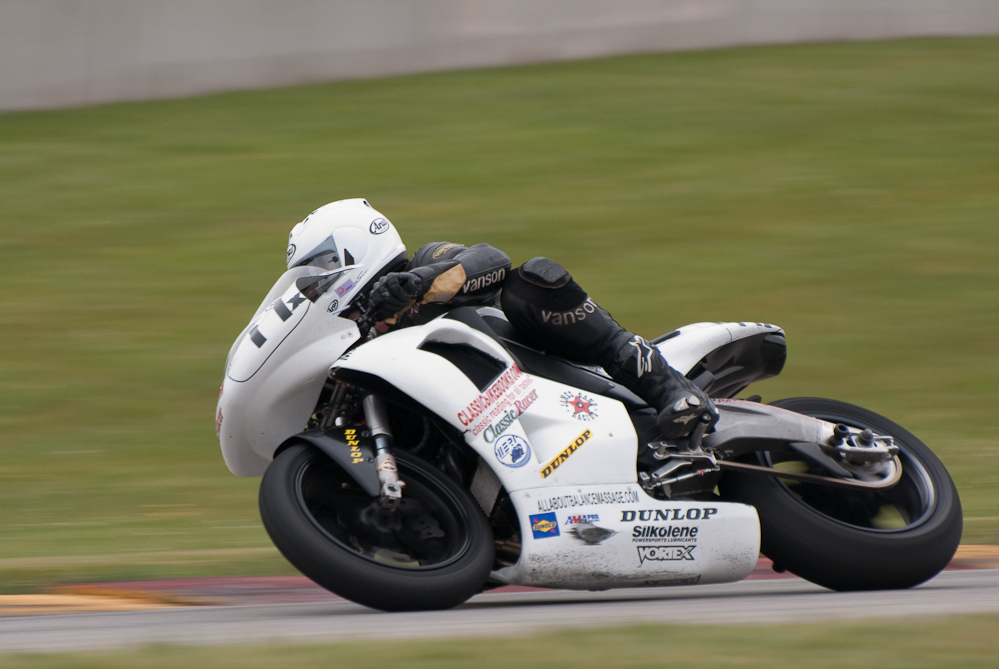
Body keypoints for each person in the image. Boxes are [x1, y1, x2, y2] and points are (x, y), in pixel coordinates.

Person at [287, 198, 716, 439]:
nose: (315, 283)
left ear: (354, 248)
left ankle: (667, 386)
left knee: (532, 279)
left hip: (545, 368)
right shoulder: (351, 338)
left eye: (321, 267)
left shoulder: (425, 260)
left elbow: (490, 258)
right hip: (490, 426)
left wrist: (418, 283)